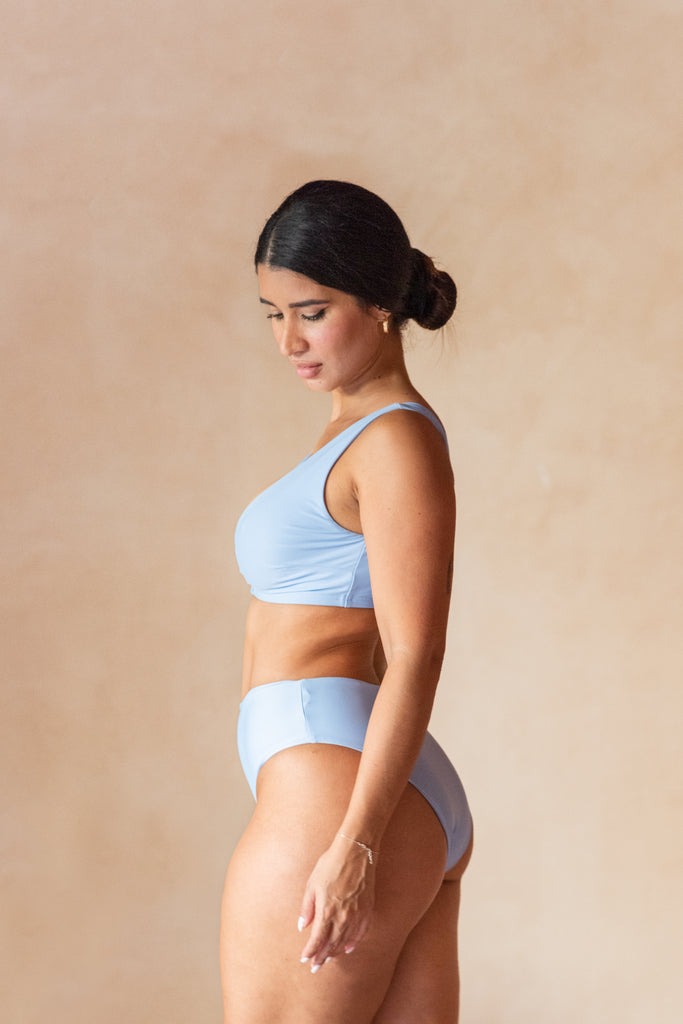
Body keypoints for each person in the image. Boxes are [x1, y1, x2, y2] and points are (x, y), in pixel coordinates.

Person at [221, 180, 473, 1024]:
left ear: (378, 304)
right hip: (361, 777)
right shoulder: (355, 428)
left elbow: (416, 652)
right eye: (273, 313)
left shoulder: (392, 439)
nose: (288, 339)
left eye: (312, 312)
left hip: (338, 791)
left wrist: (356, 843)